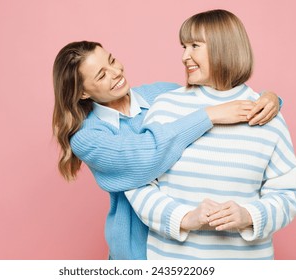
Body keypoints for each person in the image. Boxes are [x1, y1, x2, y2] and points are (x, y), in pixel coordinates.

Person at [52, 40, 280, 259]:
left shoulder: (161, 94)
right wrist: (208, 115)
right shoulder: (88, 138)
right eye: (101, 75)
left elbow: (219, 98)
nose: (115, 72)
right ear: (82, 92)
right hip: (137, 253)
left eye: (112, 60)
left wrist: (268, 99)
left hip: (191, 248)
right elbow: (146, 156)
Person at [125, 9, 296, 259]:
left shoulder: (265, 113)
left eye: (194, 46)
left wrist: (248, 216)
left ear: (224, 47)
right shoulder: (166, 107)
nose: (184, 56)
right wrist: (185, 218)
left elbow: (288, 194)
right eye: (183, 46)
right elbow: (139, 181)